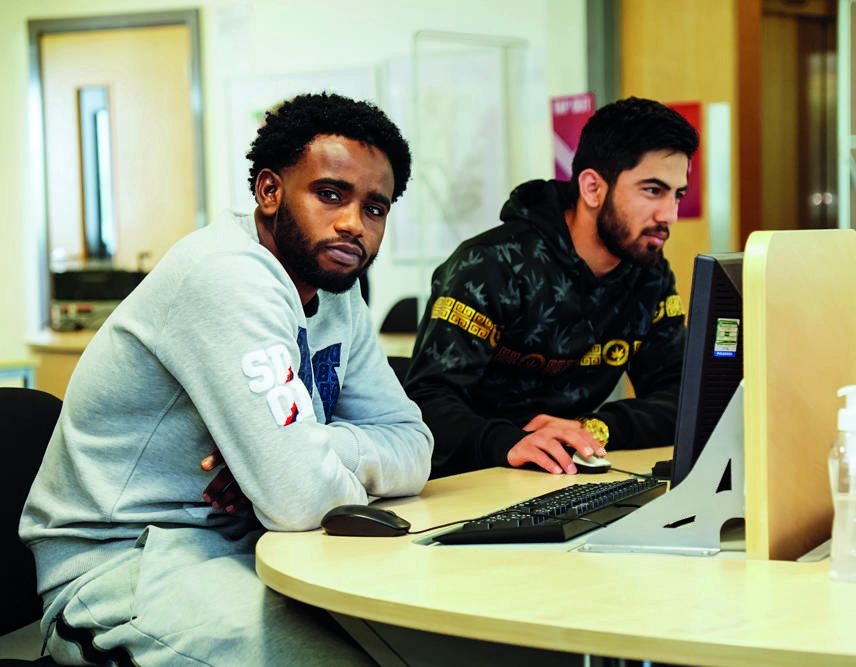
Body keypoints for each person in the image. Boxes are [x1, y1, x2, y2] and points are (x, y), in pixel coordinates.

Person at [19, 92, 433, 666]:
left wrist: (304, 450)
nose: (352, 224)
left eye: (375, 208)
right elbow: (298, 498)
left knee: (421, 641)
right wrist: (286, 466)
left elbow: (415, 447)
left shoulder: (339, 293)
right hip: (122, 572)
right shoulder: (226, 277)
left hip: (257, 548)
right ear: (269, 191)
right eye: (330, 194)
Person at [404, 97, 698, 478]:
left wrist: (595, 429)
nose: (669, 215)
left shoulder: (649, 275)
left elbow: (686, 397)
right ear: (592, 188)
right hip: (477, 478)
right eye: (652, 191)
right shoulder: (493, 265)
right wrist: (508, 441)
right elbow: (426, 404)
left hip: (570, 473)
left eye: (678, 194)